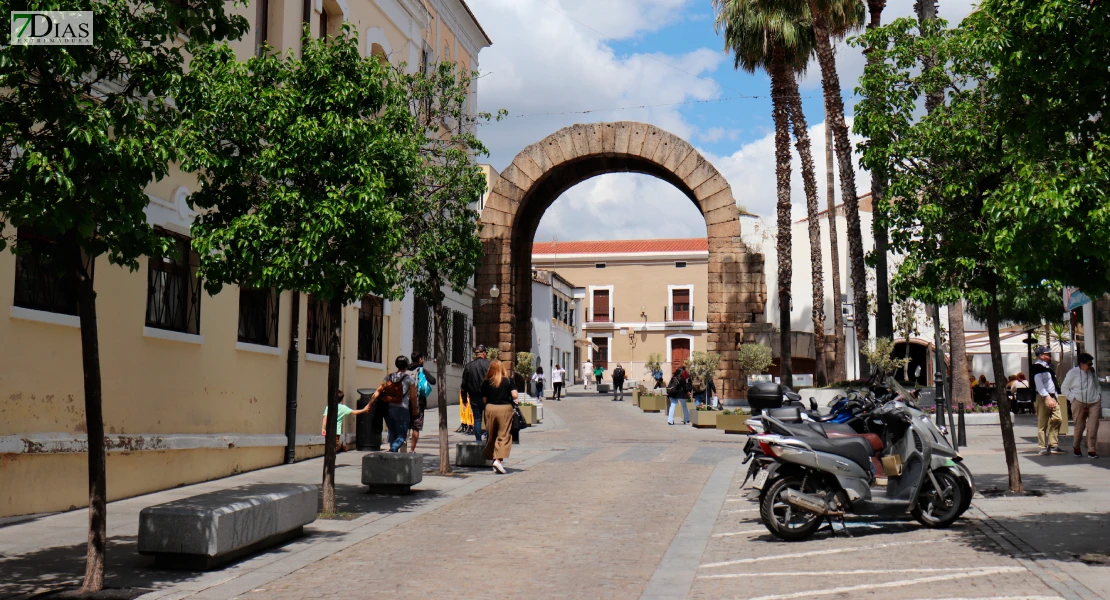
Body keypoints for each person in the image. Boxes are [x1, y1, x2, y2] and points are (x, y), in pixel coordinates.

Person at [367, 356, 419, 452]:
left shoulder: (389, 377)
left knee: (392, 432)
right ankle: (393, 449)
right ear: (407, 366)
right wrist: (415, 410)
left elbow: (378, 391)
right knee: (402, 434)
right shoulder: (409, 379)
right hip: (402, 408)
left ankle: (392, 455)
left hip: (388, 409)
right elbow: (413, 397)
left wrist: (369, 403)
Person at [480, 360, 519, 474]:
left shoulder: (486, 382)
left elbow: (484, 399)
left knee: (491, 435)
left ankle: (492, 458)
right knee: (504, 435)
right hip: (505, 409)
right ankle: (498, 460)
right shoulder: (508, 380)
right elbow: (515, 395)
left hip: (490, 408)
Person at [1063, 352, 1101, 458]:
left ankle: (1091, 449)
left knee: (1093, 427)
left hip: (1094, 401)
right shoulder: (1072, 373)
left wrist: (1099, 394)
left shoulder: (1092, 372)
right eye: (1088, 364)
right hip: (1078, 401)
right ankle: (1076, 446)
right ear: (1081, 364)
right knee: (1080, 427)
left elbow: (1097, 384)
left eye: (1091, 364)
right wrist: (1072, 398)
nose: (1090, 366)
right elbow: (1064, 388)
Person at [1031, 345, 1064, 455]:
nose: (1049, 355)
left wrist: (1056, 396)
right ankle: (1042, 447)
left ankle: (1053, 444)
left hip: (1052, 396)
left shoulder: (1049, 366)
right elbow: (1040, 385)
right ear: (1040, 356)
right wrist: (1048, 397)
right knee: (1043, 422)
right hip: (1043, 397)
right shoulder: (1037, 367)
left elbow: (1052, 383)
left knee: (1057, 419)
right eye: (1047, 353)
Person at [408, 351, 437, 453]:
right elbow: (433, 381)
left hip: (405, 402)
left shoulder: (406, 370)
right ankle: (412, 450)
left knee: (406, 425)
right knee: (416, 426)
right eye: (422, 358)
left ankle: (403, 447)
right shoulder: (421, 370)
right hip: (418, 402)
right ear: (420, 359)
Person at [462, 344, 492, 442]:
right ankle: (488, 438)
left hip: (474, 396)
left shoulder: (468, 366)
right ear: (484, 353)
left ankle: (478, 441)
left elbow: (464, 384)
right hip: (488, 396)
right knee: (488, 418)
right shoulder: (489, 364)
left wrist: (464, 399)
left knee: (477, 419)